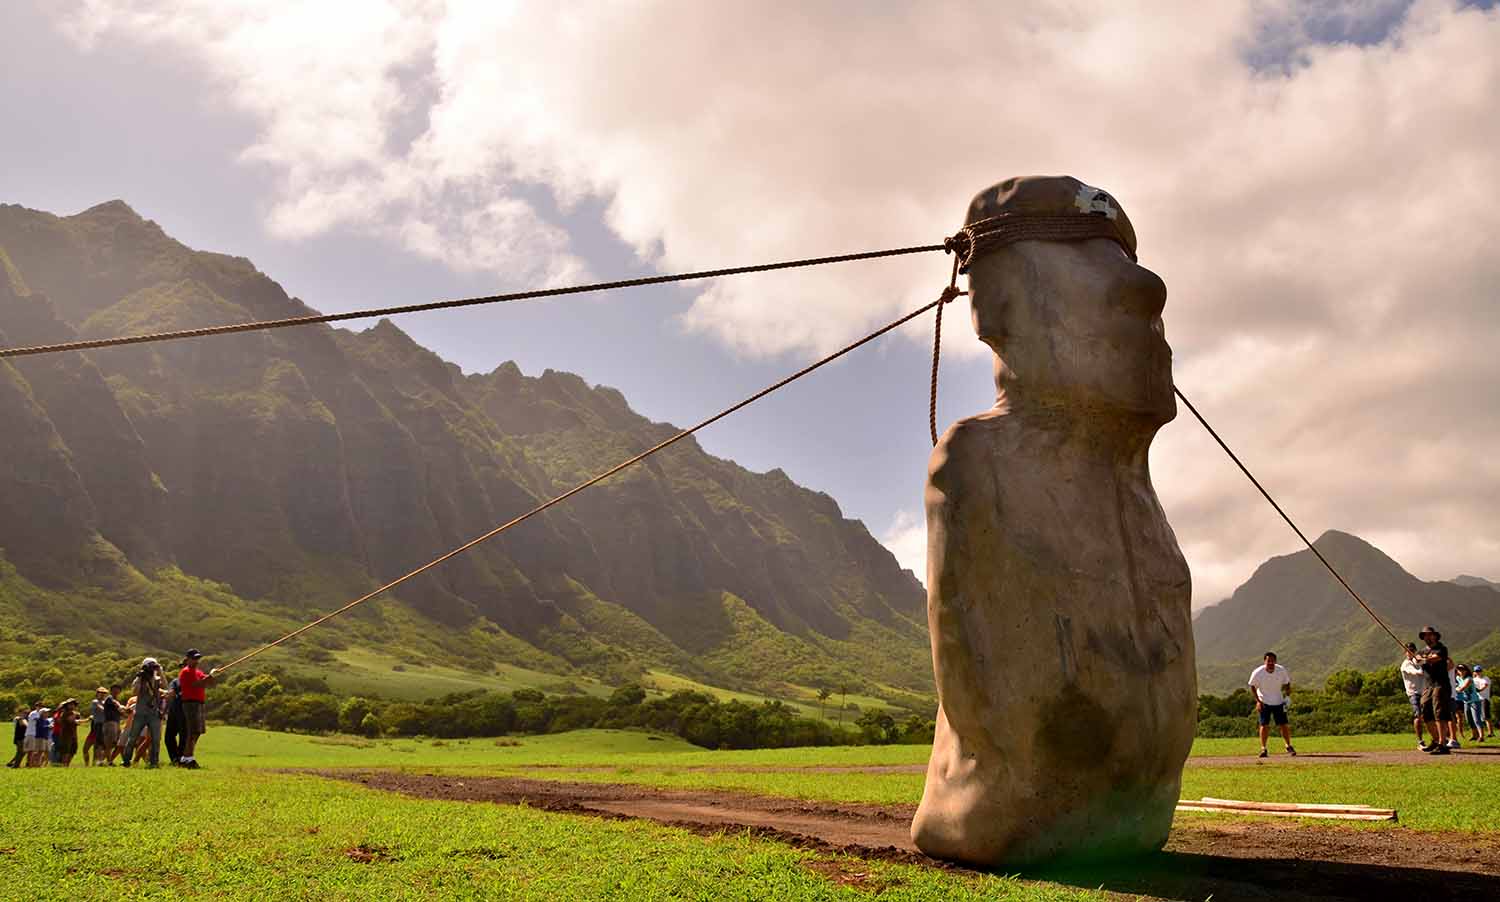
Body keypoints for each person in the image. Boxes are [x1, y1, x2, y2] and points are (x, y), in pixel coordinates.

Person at [1248, 651, 1296, 757]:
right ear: (1264, 661)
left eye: (1272, 661)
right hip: (1264, 701)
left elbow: (1287, 683)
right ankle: (1263, 749)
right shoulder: (1258, 672)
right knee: (1264, 725)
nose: (1270, 663)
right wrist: (1258, 701)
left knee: (1283, 725)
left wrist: (1287, 696)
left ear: (1275, 661)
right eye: (1268, 661)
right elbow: (1252, 686)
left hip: (1279, 701)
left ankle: (1288, 746)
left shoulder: (1281, 670)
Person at [176, 649, 216, 769]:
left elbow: (209, 683)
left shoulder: (198, 672)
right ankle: (188, 758)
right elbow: (196, 684)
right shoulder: (186, 672)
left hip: (199, 703)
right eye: (194, 658)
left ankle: (186, 758)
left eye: (197, 658)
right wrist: (210, 676)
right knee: (193, 731)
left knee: (197, 731)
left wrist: (213, 675)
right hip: (190, 703)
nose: (196, 661)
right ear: (187, 659)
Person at [121, 658, 165, 768]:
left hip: (153, 713)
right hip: (140, 713)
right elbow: (135, 691)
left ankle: (154, 762)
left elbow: (165, 686)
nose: (151, 669)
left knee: (155, 739)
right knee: (133, 738)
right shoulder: (140, 678)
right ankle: (126, 760)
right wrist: (140, 678)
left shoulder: (157, 679)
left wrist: (160, 671)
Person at [1418, 626, 1453, 754]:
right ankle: (1436, 740)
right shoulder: (1422, 651)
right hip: (1429, 685)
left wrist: (1422, 659)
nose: (1427, 637)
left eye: (1429, 634)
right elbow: (1418, 660)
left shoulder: (1441, 648)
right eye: (1425, 635)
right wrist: (1417, 659)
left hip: (1441, 684)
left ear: (1435, 636)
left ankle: (1443, 744)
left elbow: (1436, 658)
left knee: (1440, 713)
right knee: (1425, 712)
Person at [1401, 643, 1428, 750]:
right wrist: (1421, 665)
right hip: (1414, 693)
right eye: (1408, 650)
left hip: (1425, 692)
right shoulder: (1405, 664)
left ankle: (1437, 739)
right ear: (1405, 652)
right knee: (1418, 716)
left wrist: (1423, 661)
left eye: (1412, 650)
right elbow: (1417, 672)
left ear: (1415, 651)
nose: (1410, 652)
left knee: (1429, 716)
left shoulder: (1418, 661)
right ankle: (1420, 742)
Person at [99, 684, 124, 766]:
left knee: (117, 743)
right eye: (114, 689)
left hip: (116, 723)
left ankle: (104, 760)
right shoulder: (110, 699)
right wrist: (123, 708)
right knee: (110, 743)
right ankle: (106, 761)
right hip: (110, 723)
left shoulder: (115, 700)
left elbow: (120, 712)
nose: (116, 691)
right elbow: (117, 705)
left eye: (118, 689)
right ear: (111, 691)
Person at [52, 699, 80, 767]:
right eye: (70, 704)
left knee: (72, 751)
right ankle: (64, 764)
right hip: (66, 735)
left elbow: (76, 721)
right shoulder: (65, 713)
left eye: (73, 704)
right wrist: (87, 719)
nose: (72, 706)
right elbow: (72, 720)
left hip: (73, 735)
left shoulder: (75, 713)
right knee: (66, 751)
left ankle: (67, 765)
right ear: (67, 705)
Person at [164, 677, 184, 766]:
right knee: (169, 737)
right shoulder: (176, 681)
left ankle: (180, 758)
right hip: (174, 711)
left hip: (186, 711)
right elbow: (171, 692)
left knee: (183, 737)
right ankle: (175, 759)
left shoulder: (195, 679)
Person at [1475, 666, 1493, 740]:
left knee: (1486, 716)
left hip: (1485, 699)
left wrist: (1479, 690)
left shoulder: (1486, 678)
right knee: (1478, 717)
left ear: (1481, 671)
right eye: (1477, 671)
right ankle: (1480, 734)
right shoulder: (1474, 679)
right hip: (1477, 699)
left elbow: (1485, 686)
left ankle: (1490, 733)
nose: (1478, 672)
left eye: (1479, 671)